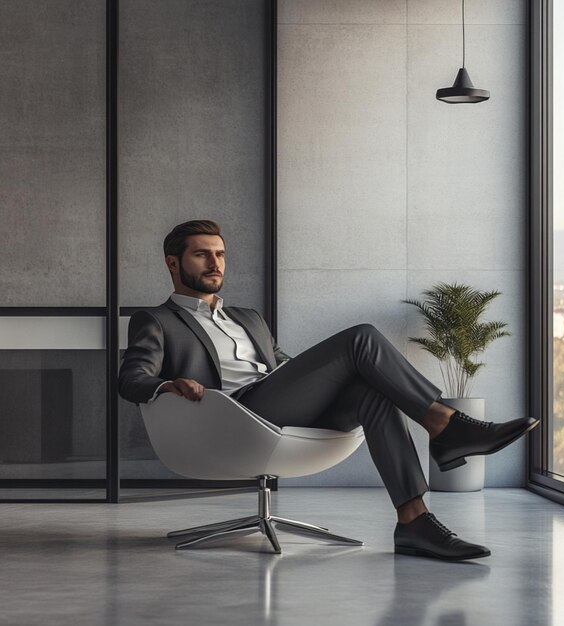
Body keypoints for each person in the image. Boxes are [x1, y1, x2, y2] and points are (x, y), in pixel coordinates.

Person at [118, 219, 539, 562]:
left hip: (276, 401)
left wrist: (325, 376)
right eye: (202, 254)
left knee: (372, 392)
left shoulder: (248, 317)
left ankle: (414, 522)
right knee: (361, 338)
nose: (215, 262)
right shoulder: (156, 320)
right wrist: (168, 383)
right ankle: (447, 427)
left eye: (221, 254)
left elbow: (282, 365)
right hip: (233, 412)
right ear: (173, 263)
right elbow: (131, 378)